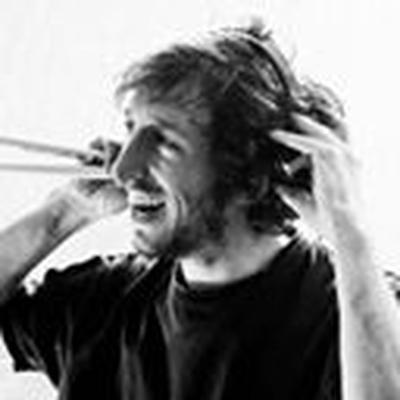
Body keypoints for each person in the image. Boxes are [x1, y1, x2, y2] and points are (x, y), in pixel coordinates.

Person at [1, 22, 400, 400]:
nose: (124, 170)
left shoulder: (367, 312)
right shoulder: (103, 303)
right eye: (130, 130)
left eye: (165, 142)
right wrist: (61, 214)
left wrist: (349, 232)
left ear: (250, 176)